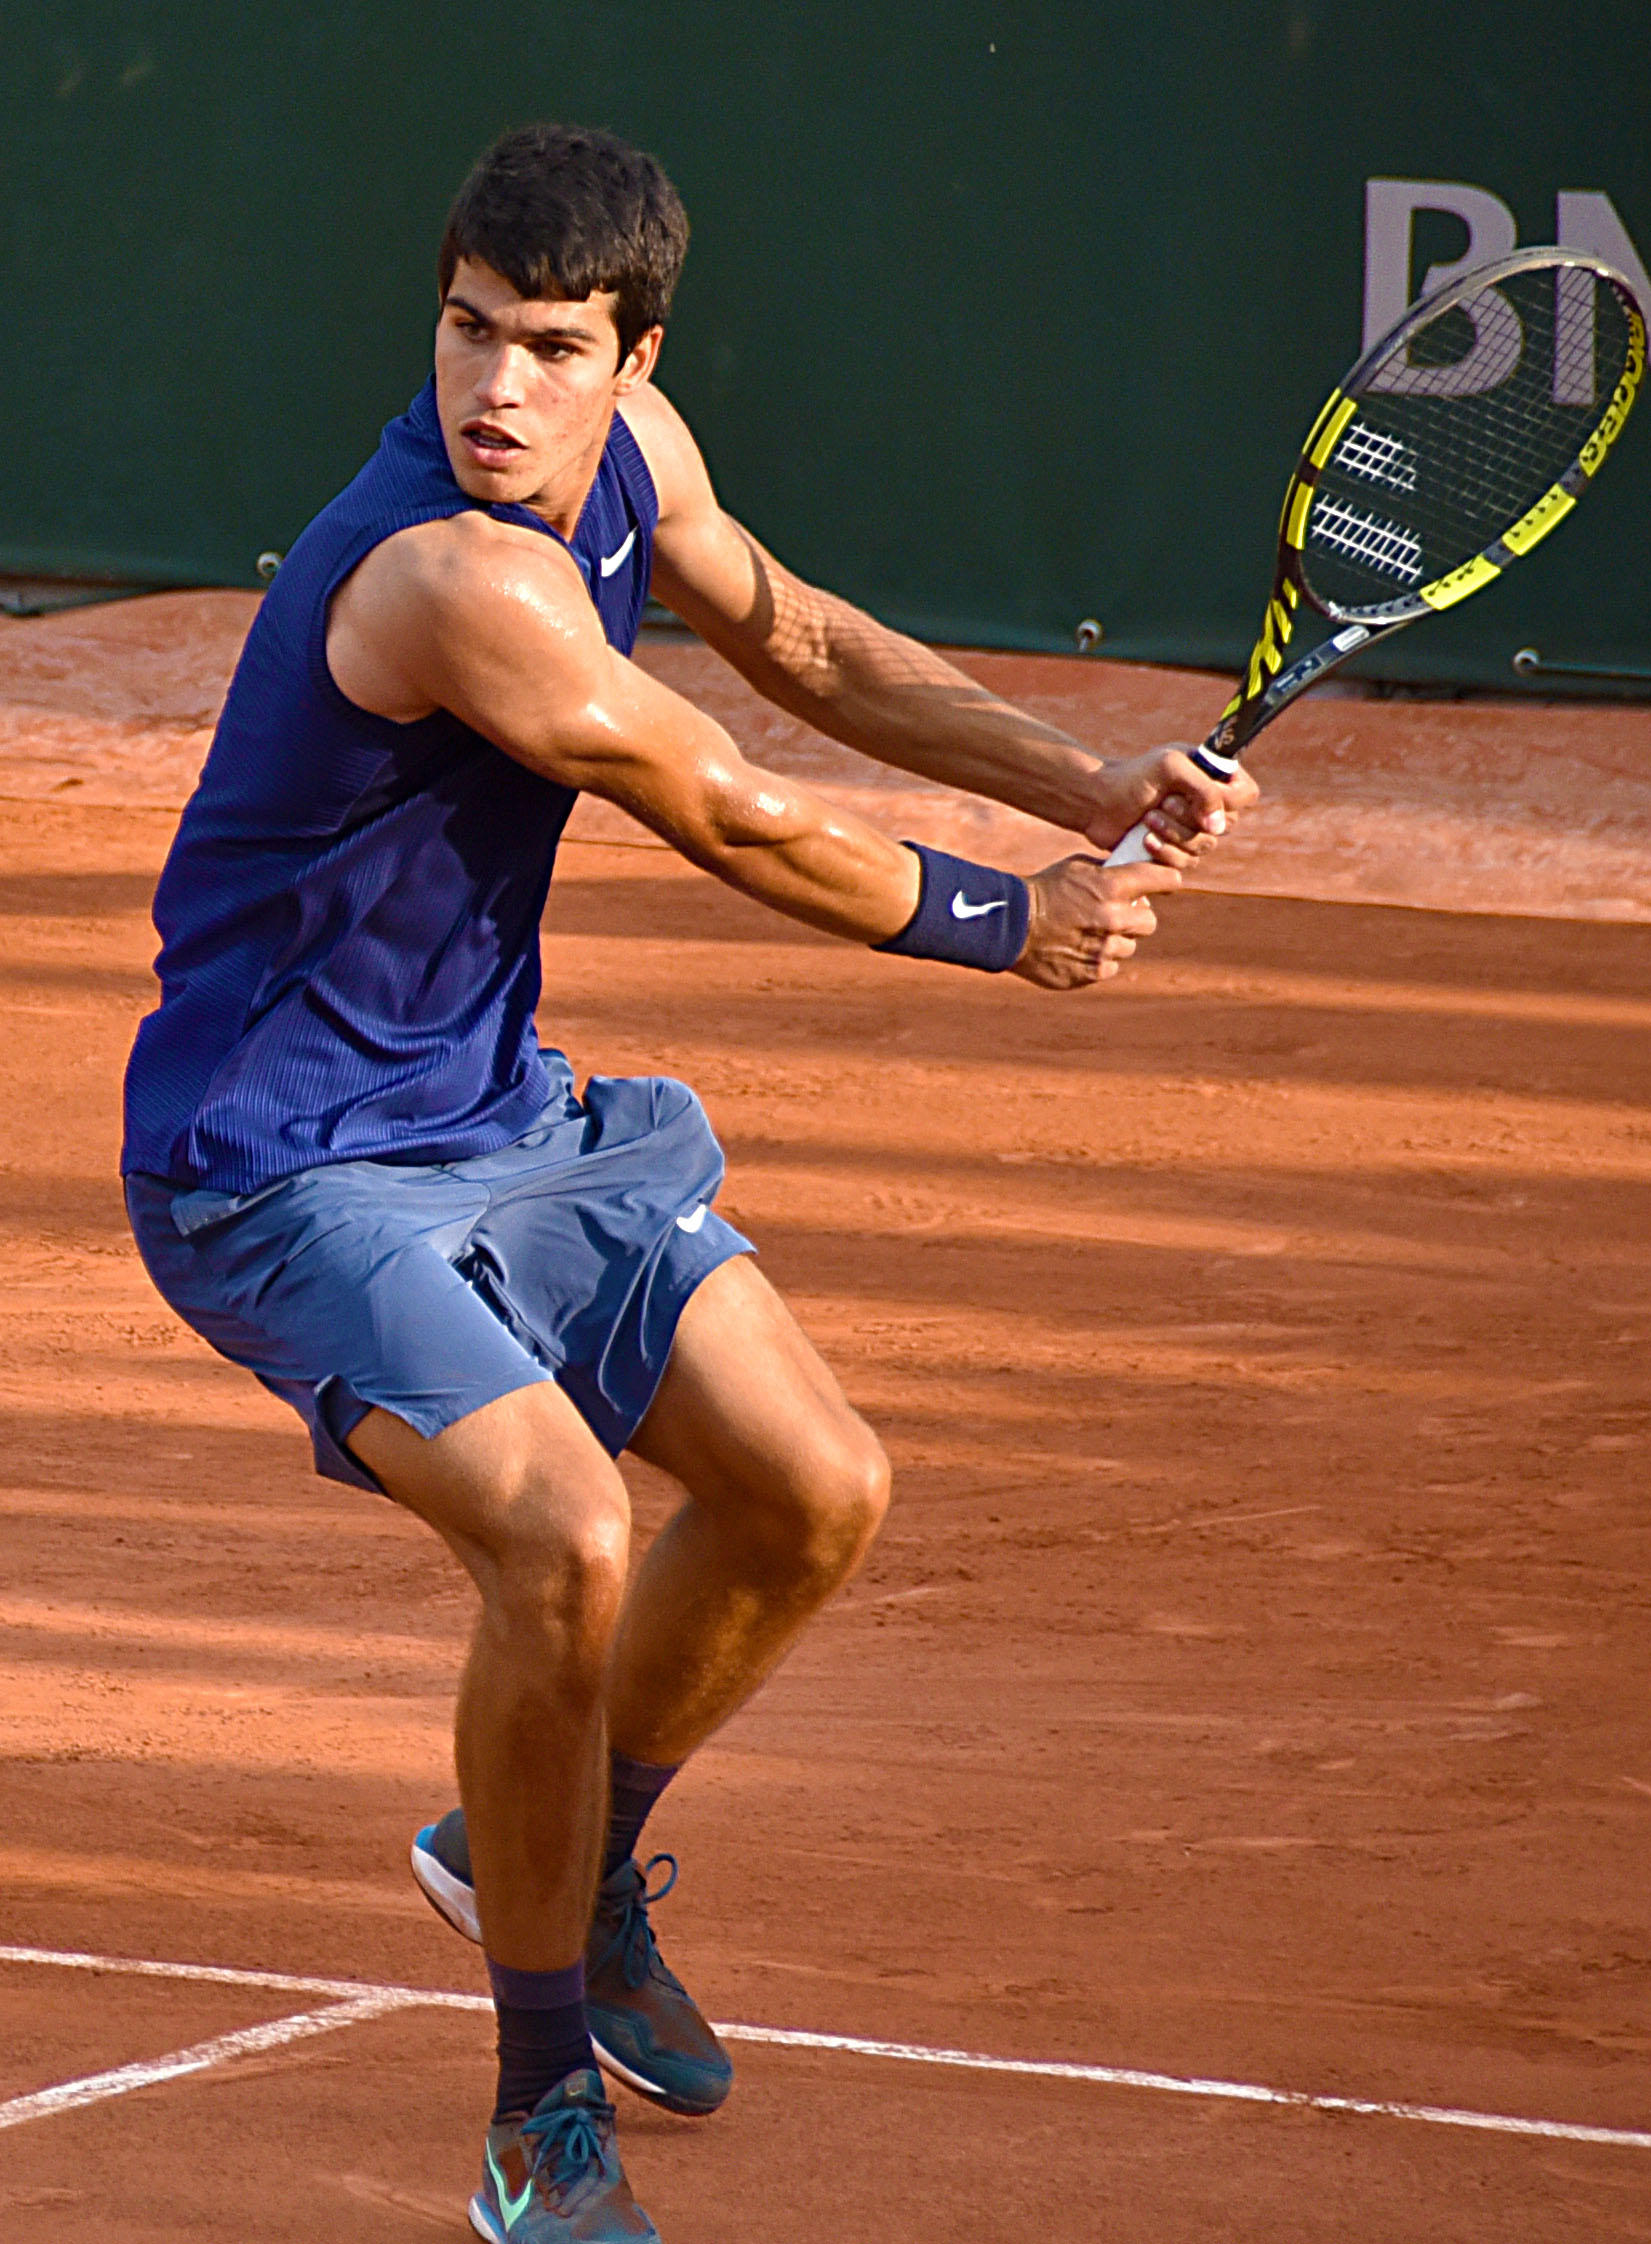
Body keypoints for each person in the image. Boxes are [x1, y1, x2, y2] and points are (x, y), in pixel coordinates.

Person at [120, 123, 1256, 2244]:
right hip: (278, 1168)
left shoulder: (637, 457)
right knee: (556, 1534)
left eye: (551, 348)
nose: (498, 389)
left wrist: (1077, 776)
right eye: (468, 332)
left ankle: (536, 1846)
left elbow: (802, 646)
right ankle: (536, 2099)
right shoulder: (450, 575)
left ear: (631, 351)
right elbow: (716, 802)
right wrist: (1011, 921)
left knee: (810, 1487)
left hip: (500, 1122)